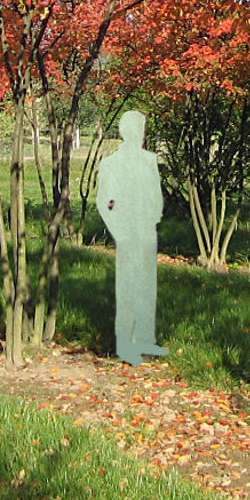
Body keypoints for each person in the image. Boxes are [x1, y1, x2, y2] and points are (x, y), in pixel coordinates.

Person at [96, 110, 168, 366]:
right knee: (127, 287)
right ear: (127, 131)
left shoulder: (149, 161)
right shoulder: (110, 164)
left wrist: (154, 218)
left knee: (147, 286)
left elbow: (155, 194)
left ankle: (146, 340)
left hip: (147, 231)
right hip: (126, 233)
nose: (140, 133)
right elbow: (105, 203)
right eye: (138, 128)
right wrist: (119, 229)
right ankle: (126, 345)